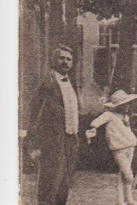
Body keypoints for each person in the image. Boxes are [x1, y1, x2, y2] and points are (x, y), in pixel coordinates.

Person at [26, 45, 80, 205]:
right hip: (52, 143)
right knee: (49, 187)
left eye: (69, 59)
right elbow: (34, 114)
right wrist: (34, 144)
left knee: (63, 187)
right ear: (54, 60)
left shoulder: (71, 84)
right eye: (61, 58)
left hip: (70, 141)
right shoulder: (46, 84)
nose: (65, 62)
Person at [86, 90, 137, 205]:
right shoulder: (109, 115)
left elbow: (126, 130)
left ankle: (126, 200)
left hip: (130, 146)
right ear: (119, 106)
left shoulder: (125, 116)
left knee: (123, 176)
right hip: (119, 148)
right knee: (128, 175)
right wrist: (93, 129)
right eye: (125, 104)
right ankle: (122, 200)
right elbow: (95, 122)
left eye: (128, 104)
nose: (128, 106)